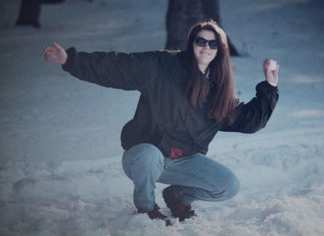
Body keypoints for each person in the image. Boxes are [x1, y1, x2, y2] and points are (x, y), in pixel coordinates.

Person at [43, 20, 279, 224]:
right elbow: (116, 66)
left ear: (220, 50)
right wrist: (69, 60)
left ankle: (178, 197)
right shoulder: (162, 65)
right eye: (201, 41)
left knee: (228, 185)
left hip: (182, 160)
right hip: (142, 157)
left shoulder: (218, 92)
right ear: (192, 43)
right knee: (149, 154)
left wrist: (269, 86)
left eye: (213, 43)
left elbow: (250, 121)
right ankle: (146, 209)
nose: (206, 47)